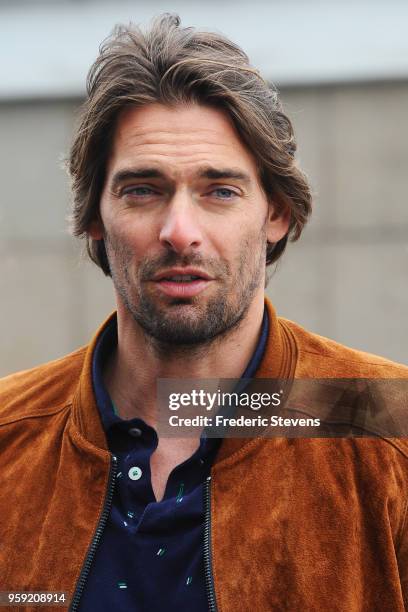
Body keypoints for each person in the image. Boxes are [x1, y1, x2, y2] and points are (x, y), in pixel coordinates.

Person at [1, 13, 407, 612]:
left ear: (277, 214)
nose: (179, 232)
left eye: (220, 190)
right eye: (143, 189)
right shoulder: (11, 438)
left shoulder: (388, 427)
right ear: (94, 216)